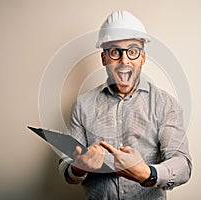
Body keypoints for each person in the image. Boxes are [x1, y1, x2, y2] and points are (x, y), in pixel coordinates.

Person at [58, 10, 192, 199]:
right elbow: (66, 166)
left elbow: (183, 165)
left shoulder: (165, 104)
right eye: (115, 52)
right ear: (103, 58)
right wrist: (78, 168)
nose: (124, 60)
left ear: (143, 58)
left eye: (133, 51)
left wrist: (148, 173)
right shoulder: (82, 106)